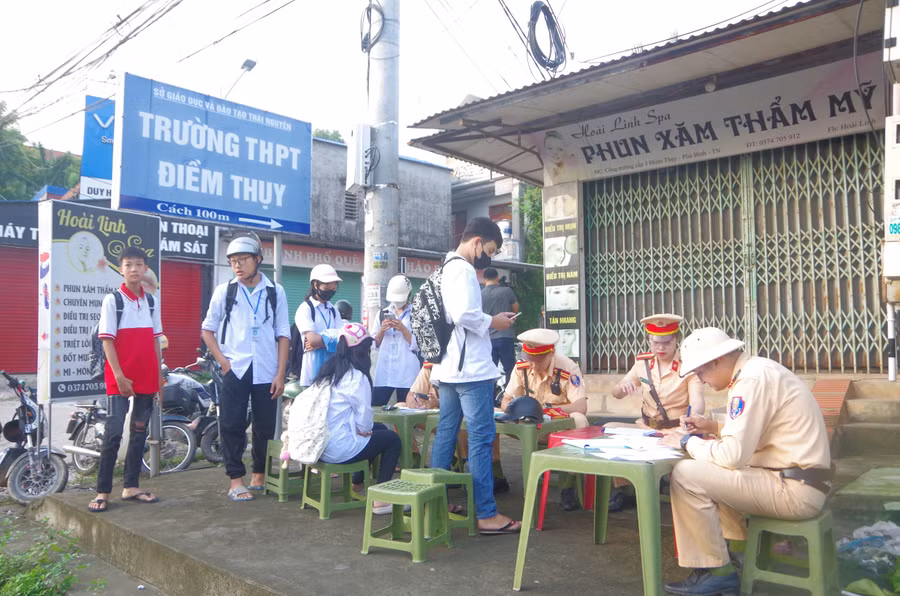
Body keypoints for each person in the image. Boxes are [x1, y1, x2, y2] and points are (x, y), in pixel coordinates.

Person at [659, 327, 832, 595]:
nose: (701, 380)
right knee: (713, 469)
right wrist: (712, 427)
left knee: (686, 474)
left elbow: (732, 455)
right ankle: (738, 555)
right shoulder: (758, 370)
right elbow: (758, 432)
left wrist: (685, 442)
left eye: (700, 372)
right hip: (798, 480)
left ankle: (717, 572)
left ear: (717, 360)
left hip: (794, 490)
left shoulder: (750, 380)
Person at [430, 216, 521, 535]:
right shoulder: (464, 269)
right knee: (481, 439)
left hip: (449, 368)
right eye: (490, 250)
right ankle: (486, 513)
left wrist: (488, 319)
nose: (489, 257)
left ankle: (436, 500)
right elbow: (463, 315)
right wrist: (494, 322)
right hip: (470, 370)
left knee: (446, 433)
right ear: (477, 242)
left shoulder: (445, 267)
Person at [201, 233, 290, 502]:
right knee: (232, 423)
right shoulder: (225, 291)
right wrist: (223, 362)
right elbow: (207, 330)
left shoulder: (275, 291)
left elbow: (283, 334)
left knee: (265, 426)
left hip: (266, 368)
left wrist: (280, 374)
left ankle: (259, 475)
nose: (237, 265)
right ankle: (236, 480)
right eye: (233, 261)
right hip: (235, 368)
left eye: (243, 260)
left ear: (258, 259)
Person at [89, 246, 164, 512]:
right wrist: (119, 376)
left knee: (139, 431)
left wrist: (159, 379)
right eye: (128, 265)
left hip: (147, 377)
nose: (134, 269)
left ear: (145, 268)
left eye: (139, 264)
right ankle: (102, 491)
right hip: (119, 377)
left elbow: (156, 341)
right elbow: (107, 341)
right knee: (113, 434)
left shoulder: (151, 301)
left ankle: (131, 486)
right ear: (120, 269)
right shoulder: (113, 300)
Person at [501, 328, 588, 511]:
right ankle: (496, 477)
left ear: (551, 353)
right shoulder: (521, 366)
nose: (532, 366)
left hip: (557, 427)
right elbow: (505, 400)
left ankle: (568, 485)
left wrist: (547, 410)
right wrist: (517, 410)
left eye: (538, 361)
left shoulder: (568, 367)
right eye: (529, 359)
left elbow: (581, 406)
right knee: (486, 417)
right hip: (527, 424)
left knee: (579, 419)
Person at [318, 323, 401, 514]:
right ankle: (381, 499)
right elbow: (364, 423)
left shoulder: (329, 370)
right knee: (392, 440)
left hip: (321, 444)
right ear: (360, 351)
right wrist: (363, 429)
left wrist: (364, 429)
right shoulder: (356, 377)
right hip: (339, 449)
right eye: (367, 348)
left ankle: (357, 483)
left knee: (380, 429)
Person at [611, 314, 704, 430]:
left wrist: (692, 418)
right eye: (656, 343)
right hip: (646, 427)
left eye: (667, 343)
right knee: (609, 427)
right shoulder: (642, 364)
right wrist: (621, 387)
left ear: (676, 340)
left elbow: (697, 402)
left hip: (676, 430)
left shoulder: (688, 366)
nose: (661, 348)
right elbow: (616, 394)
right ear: (649, 340)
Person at [370, 275, 419, 407]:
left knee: (407, 409)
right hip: (386, 370)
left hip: (407, 371)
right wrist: (382, 330)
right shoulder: (382, 313)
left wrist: (403, 329)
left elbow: (419, 345)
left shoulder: (416, 314)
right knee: (375, 407)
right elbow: (374, 343)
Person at [295, 264, 344, 387]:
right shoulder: (305, 309)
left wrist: (321, 341)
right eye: (327, 286)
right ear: (315, 285)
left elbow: (343, 339)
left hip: (333, 371)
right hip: (312, 371)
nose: (331, 290)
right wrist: (332, 338)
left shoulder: (333, 310)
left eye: (334, 287)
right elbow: (312, 340)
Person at [481, 267, 519, 385]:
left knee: (489, 372)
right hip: (505, 336)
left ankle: (491, 396)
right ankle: (509, 394)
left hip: (487, 339)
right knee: (510, 370)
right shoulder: (507, 291)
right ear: (497, 278)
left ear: (484, 280)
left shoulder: (480, 294)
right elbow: (515, 309)